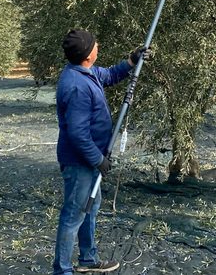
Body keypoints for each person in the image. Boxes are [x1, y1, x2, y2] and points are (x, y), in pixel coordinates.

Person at [53, 29, 150, 274]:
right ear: (87, 54)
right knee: (74, 214)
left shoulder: (85, 73)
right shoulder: (77, 86)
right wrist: (98, 160)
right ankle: (62, 269)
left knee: (89, 208)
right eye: (95, 45)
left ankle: (87, 260)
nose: (98, 46)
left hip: (90, 160)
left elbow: (108, 75)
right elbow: (77, 134)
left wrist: (131, 61)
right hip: (80, 162)